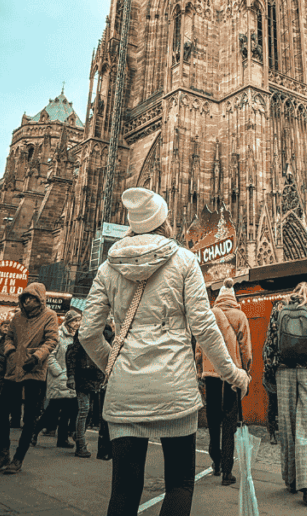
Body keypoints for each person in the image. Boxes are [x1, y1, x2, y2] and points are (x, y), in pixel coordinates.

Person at [79, 188, 250, 516]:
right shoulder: (184, 260)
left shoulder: (108, 267)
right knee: (180, 484)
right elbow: (205, 328)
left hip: (125, 391)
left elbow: (87, 333)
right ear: (163, 223)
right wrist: (233, 373)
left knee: (125, 491)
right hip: (174, 389)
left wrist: (114, 365)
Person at [263, 281, 307, 508]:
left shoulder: (278, 307)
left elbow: (270, 342)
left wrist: (268, 371)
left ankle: (290, 479)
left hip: (283, 371)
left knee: (287, 426)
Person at [0, 283, 59, 475]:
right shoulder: (17, 317)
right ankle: (3, 453)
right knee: (2, 414)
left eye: (32, 298)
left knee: (29, 417)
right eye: (25, 297)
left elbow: (52, 340)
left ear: (40, 299)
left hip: (34, 371)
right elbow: (9, 337)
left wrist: (37, 357)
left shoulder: (49, 316)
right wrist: (9, 350)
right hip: (13, 369)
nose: (28, 301)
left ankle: (18, 458)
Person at [195, 278, 252, 485]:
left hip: (211, 376)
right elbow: (246, 349)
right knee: (229, 422)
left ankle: (216, 462)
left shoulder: (209, 316)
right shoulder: (240, 316)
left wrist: (200, 369)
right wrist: (246, 370)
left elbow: (200, 347)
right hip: (232, 376)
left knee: (213, 420)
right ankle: (227, 472)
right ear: (233, 298)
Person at [32, 309, 80, 449]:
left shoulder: (76, 336)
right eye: (75, 320)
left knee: (67, 411)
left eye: (79, 320)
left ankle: (62, 439)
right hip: (59, 377)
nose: (78, 323)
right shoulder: (58, 335)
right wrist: (59, 372)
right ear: (69, 321)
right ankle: (33, 432)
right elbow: (50, 355)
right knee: (53, 409)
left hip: (70, 378)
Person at [67, 320, 113, 458]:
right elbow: (73, 354)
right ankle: (80, 444)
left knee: (89, 410)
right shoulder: (95, 332)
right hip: (86, 375)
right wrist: (71, 376)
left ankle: (77, 435)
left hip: (92, 376)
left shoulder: (91, 331)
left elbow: (72, 354)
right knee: (85, 409)